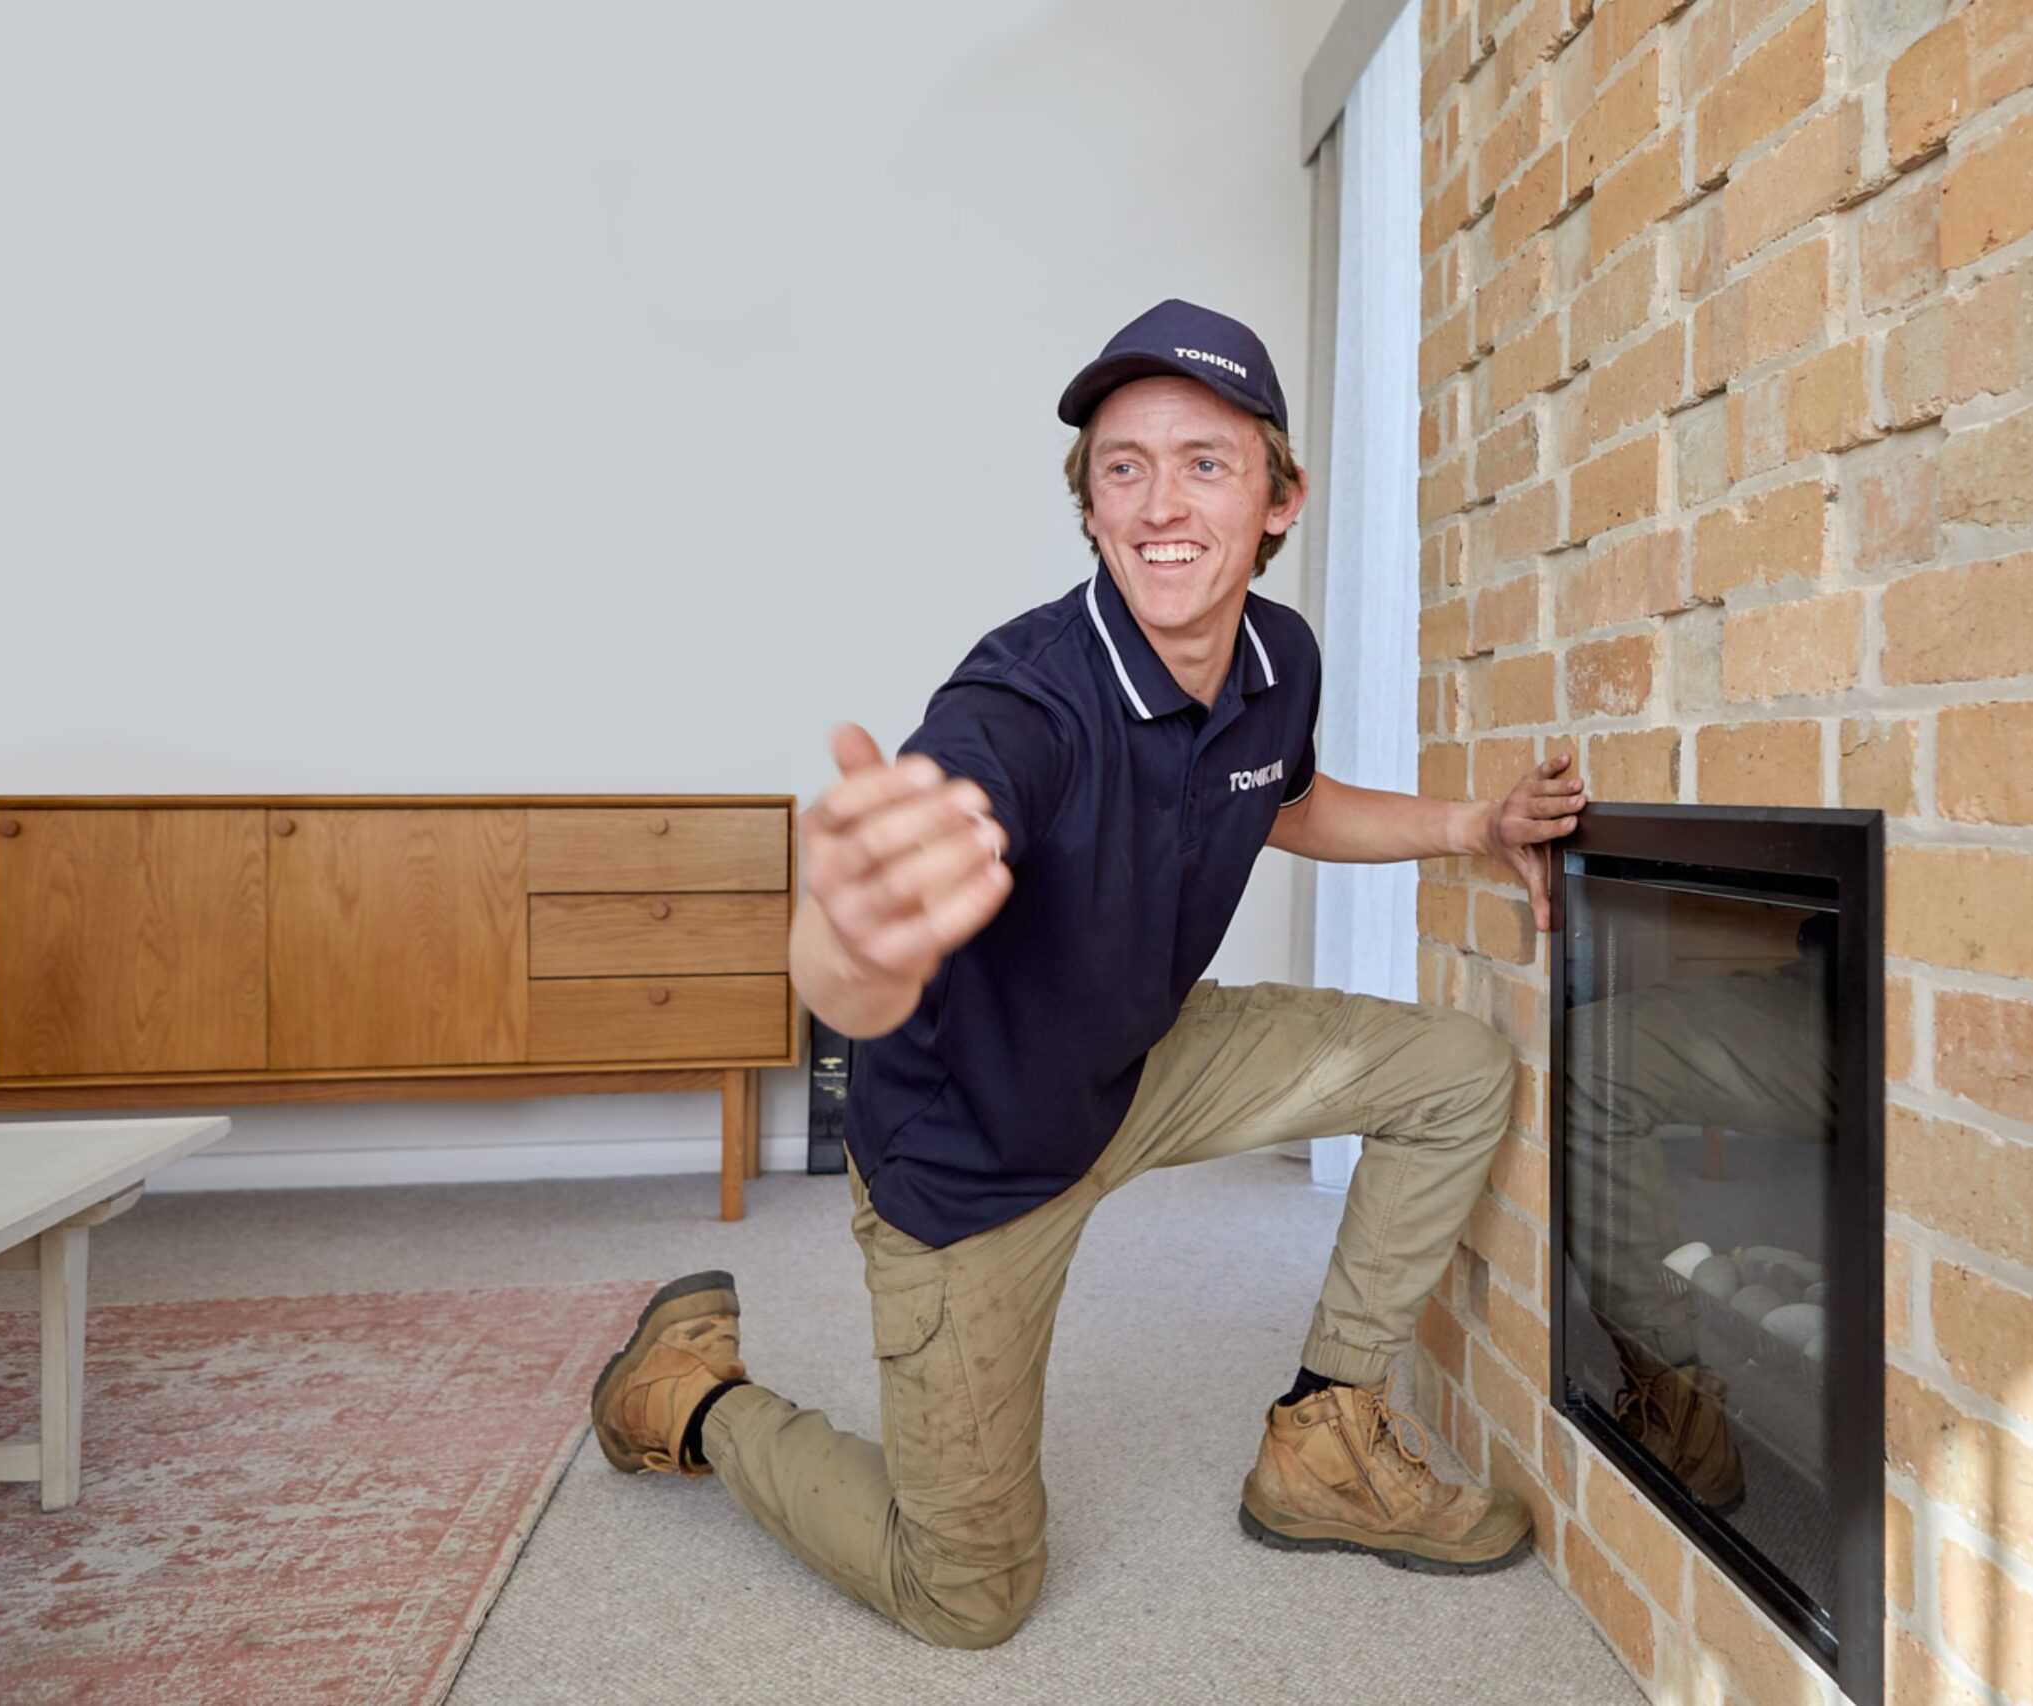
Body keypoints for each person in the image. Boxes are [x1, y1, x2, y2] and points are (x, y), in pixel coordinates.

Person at [586, 299, 1589, 1649]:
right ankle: (688, 1393)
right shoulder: (1023, 701)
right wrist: (862, 939)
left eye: (1205, 461)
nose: (1160, 501)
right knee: (968, 1597)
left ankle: (1323, 1440)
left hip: (1147, 1058)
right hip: (978, 1152)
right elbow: (893, 909)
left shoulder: (1277, 657)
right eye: (1124, 465)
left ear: (1281, 501)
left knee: (1458, 1072)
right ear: (1090, 505)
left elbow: (1277, 796)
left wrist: (1465, 825)